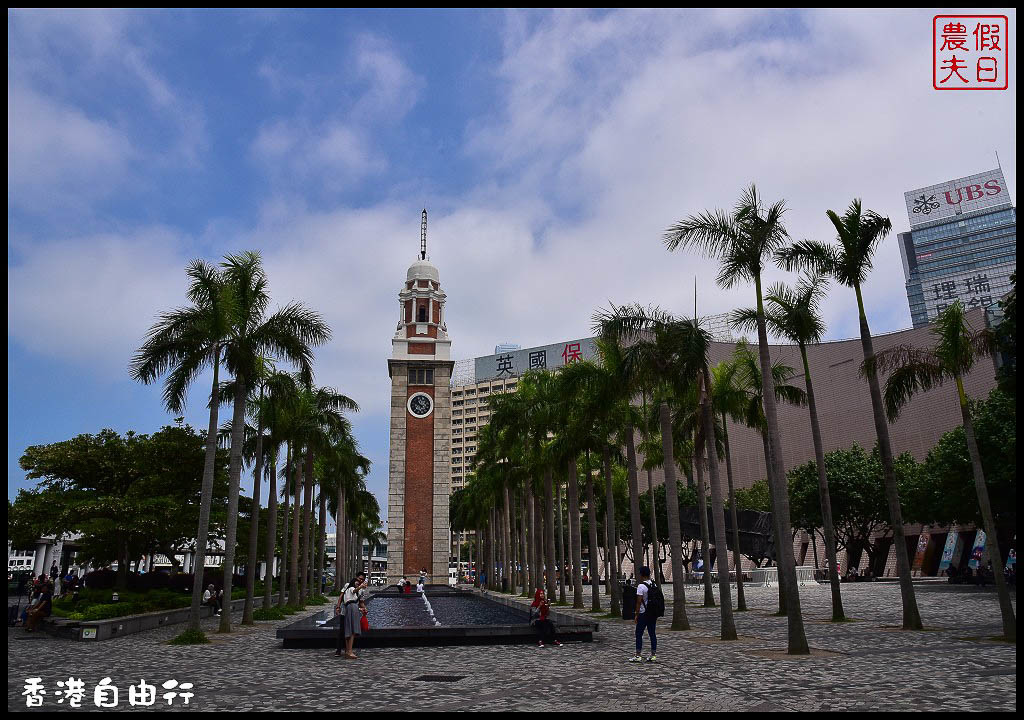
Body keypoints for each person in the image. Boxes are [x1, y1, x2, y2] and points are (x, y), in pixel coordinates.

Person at [336, 572, 368, 659]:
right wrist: (338, 606)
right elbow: (342, 595)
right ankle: (342, 650)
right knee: (346, 630)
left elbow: (361, 602)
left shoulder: (361, 590)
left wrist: (364, 608)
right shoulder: (349, 586)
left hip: (353, 608)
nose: (360, 581)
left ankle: (347, 650)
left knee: (349, 630)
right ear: (356, 578)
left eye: (362, 580)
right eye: (359, 579)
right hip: (346, 610)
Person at [631, 566, 658, 663]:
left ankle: (638, 655)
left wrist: (636, 614)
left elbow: (638, 601)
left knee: (639, 633)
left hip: (643, 613)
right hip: (652, 613)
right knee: (652, 634)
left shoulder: (641, 586)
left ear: (641, 574)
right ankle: (653, 654)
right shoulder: (653, 584)